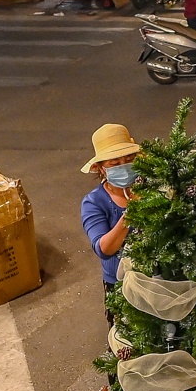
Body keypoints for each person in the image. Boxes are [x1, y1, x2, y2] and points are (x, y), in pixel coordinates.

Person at [80, 123, 143, 320]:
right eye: (115, 163)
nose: (124, 166)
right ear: (101, 168)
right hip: (120, 283)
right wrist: (128, 216)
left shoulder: (151, 188)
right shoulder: (94, 202)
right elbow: (104, 248)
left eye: (129, 159)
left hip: (158, 278)